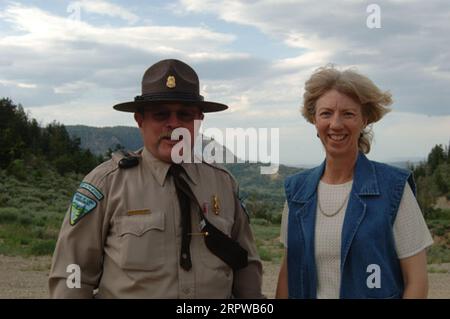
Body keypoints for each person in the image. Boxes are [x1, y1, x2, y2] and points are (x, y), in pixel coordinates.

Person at [49, 59, 263, 298]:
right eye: (161, 115)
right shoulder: (106, 184)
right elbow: (73, 269)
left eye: (184, 114)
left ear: (198, 120)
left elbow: (247, 267)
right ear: (140, 120)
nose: (173, 124)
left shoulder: (223, 184)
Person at [276, 65, 433, 299]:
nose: (336, 124)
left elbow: (417, 281)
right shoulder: (297, 191)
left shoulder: (394, 188)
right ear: (314, 120)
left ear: (364, 121)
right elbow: (289, 274)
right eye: (326, 113)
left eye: (348, 114)